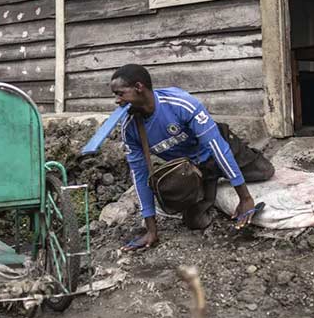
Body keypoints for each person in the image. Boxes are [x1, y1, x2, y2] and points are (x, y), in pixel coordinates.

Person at [111, 64, 274, 251]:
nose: (117, 101)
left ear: (139, 88)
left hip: (217, 148)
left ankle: (235, 166)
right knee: (195, 221)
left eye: (120, 94)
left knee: (265, 171)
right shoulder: (130, 128)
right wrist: (151, 230)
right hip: (194, 169)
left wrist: (245, 198)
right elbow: (140, 176)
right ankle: (214, 184)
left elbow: (217, 148)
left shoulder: (179, 104)